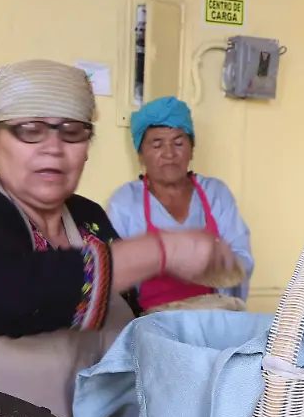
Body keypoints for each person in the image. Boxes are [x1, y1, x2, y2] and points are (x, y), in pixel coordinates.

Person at [0, 60, 235, 417]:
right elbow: (15, 296)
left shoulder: (89, 218)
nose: (53, 148)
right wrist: (161, 250)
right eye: (30, 130)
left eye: (72, 132)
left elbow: (124, 325)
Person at [106, 96, 254, 312]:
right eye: (157, 145)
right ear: (141, 154)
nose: (169, 154)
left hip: (212, 315)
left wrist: (219, 260)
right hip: (151, 322)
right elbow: (112, 272)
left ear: (192, 148)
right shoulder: (126, 201)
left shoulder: (215, 193)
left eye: (178, 143)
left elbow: (243, 261)